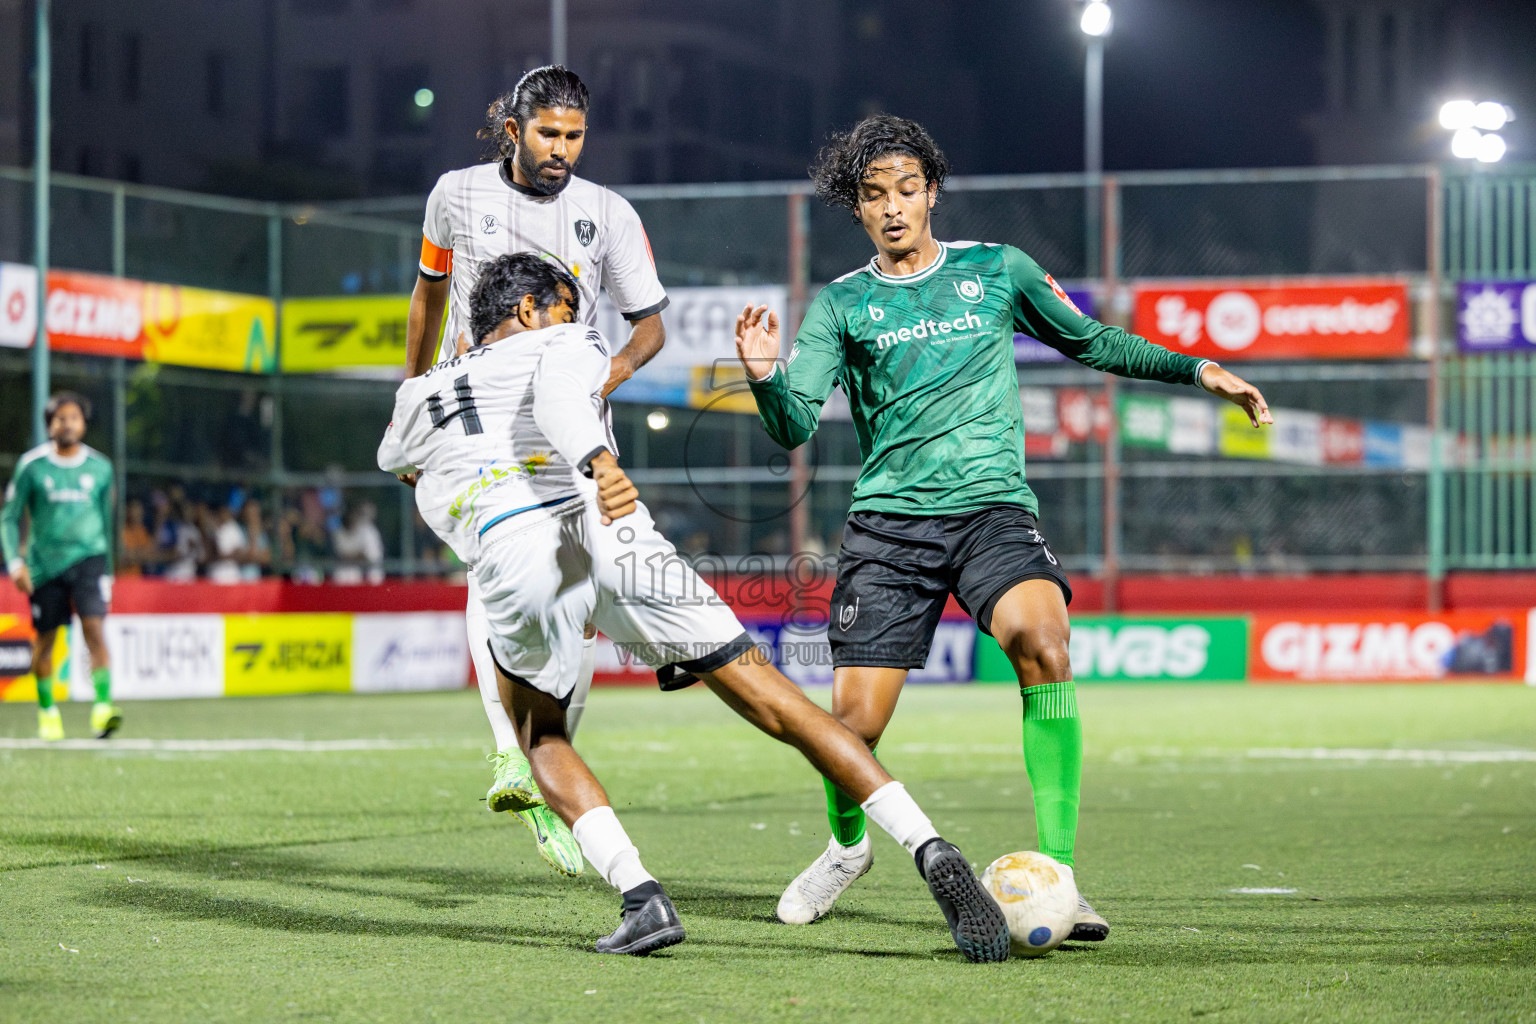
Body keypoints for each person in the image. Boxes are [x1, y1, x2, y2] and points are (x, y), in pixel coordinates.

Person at [378, 252, 1009, 960]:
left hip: (515, 558)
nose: (578, 320)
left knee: (543, 738)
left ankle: (640, 896)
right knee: (785, 706)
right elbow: (559, 398)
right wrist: (598, 459)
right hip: (614, 528)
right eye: (565, 304)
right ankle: (928, 846)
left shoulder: (415, 395)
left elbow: (404, 465)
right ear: (528, 310)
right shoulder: (566, 341)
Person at [734, 115, 1274, 936]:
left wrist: (1198, 369)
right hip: (890, 531)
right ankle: (847, 850)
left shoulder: (995, 271)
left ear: (932, 194)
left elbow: (1092, 342)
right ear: (856, 207)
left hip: (992, 512)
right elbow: (793, 424)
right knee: (852, 729)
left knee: (1044, 640)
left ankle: (1057, 873)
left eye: (907, 190)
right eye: (874, 195)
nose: (893, 208)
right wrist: (766, 379)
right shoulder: (842, 305)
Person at [403, 65, 669, 873]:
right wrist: (412, 394)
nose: (562, 150)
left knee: (574, 595)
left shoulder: (608, 214)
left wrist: (609, 375)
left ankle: (546, 761)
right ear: (512, 130)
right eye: (548, 133)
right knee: (495, 567)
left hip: (571, 426)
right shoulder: (455, 194)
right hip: (479, 426)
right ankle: (509, 756)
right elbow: (429, 296)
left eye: (575, 136)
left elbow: (649, 326)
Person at [1, 393, 123, 740]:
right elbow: (9, 518)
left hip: (90, 559)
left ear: (83, 424)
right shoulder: (32, 466)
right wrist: (14, 562)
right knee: (46, 640)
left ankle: (102, 709)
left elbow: (106, 521)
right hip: (45, 566)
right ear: (49, 425)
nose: (66, 423)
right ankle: (47, 711)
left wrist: (109, 571)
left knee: (94, 630)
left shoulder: (101, 468)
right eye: (59, 418)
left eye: (73, 417)